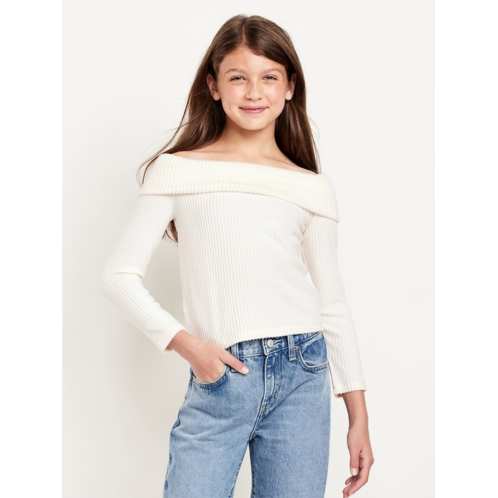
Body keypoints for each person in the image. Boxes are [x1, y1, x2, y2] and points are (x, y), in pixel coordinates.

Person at [100, 14, 374, 498]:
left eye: (269, 77)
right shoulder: (177, 170)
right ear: (213, 86)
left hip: (303, 377)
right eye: (237, 77)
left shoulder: (311, 186)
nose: (253, 92)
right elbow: (118, 276)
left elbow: (331, 303)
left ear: (289, 87)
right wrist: (192, 349)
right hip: (222, 374)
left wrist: (359, 417)